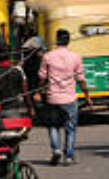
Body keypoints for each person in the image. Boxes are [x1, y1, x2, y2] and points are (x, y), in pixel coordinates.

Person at [39, 30, 92, 166]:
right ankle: (68, 156)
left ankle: (56, 150)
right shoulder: (75, 57)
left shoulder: (47, 56)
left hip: (53, 98)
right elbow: (81, 79)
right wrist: (87, 97)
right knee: (70, 128)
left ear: (57, 40)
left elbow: (42, 77)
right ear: (68, 41)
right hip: (70, 98)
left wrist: (39, 91)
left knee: (53, 126)